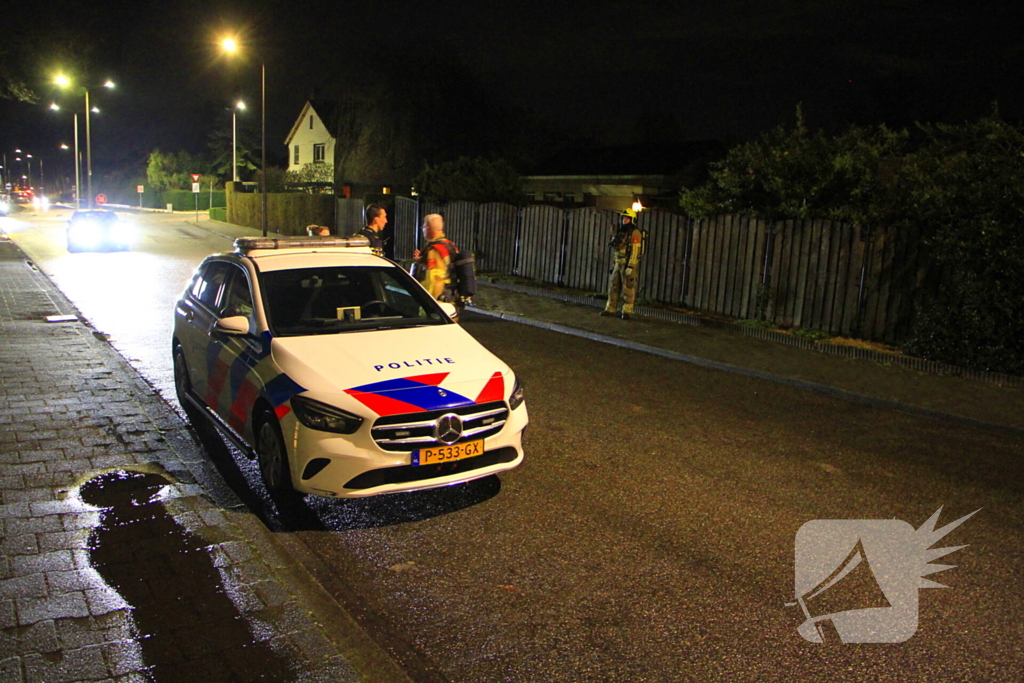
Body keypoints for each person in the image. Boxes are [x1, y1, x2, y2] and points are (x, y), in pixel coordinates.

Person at [416, 214, 474, 313]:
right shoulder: (449, 245)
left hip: (439, 305)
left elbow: (434, 280)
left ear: (428, 228)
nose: (422, 229)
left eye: (423, 226)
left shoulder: (435, 250)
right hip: (450, 301)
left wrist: (428, 305)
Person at [601, 208, 644, 320]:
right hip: (618, 263)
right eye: (623, 218)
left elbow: (635, 251)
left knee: (628, 288)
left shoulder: (635, 232)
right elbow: (617, 250)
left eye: (627, 218)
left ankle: (627, 311)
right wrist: (614, 264)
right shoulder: (621, 232)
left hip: (627, 263)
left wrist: (631, 266)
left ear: (632, 220)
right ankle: (611, 309)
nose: (624, 220)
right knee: (613, 286)